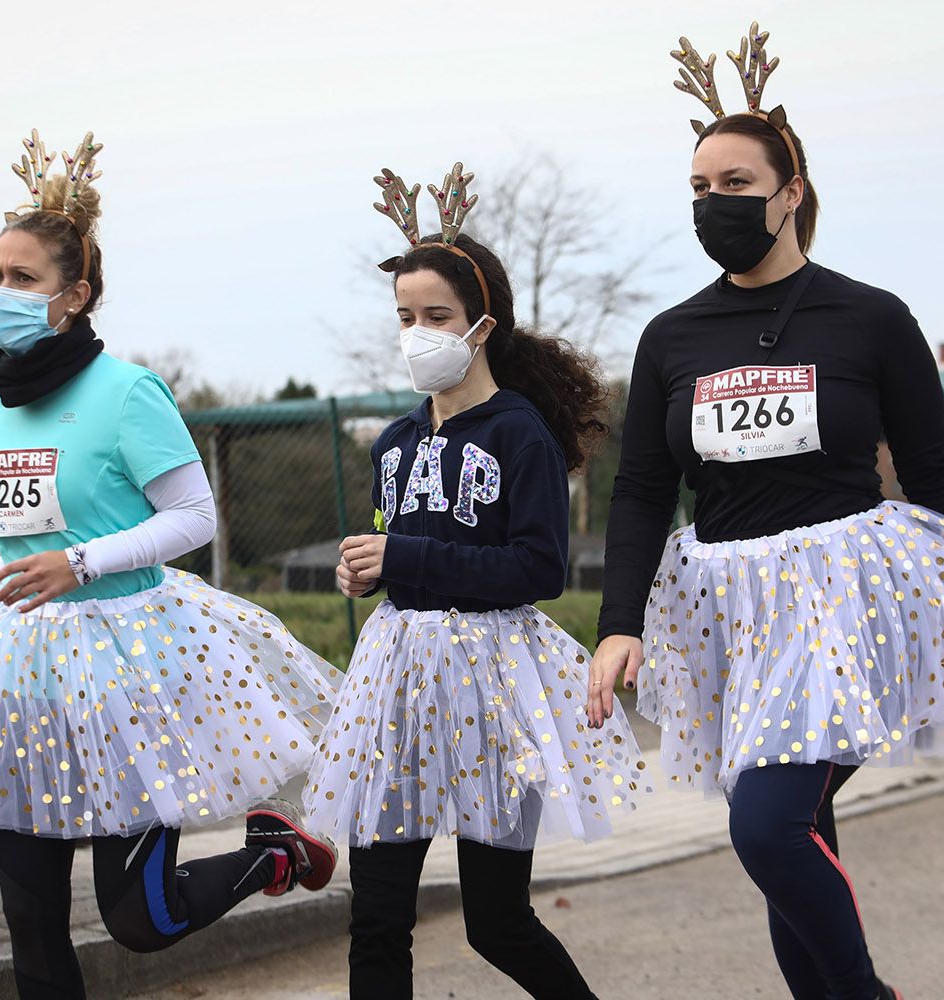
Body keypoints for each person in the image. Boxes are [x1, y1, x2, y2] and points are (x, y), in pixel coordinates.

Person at [588, 26, 944, 1000]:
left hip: (845, 590)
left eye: (737, 184)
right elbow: (638, 490)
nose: (716, 204)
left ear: (790, 191)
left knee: (768, 826)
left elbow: (928, 463)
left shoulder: (869, 316)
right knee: (794, 831)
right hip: (729, 605)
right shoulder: (671, 336)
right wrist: (617, 623)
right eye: (700, 189)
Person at [0, 130, 342, 999]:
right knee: (30, 926)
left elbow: (193, 517)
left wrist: (82, 561)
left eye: (22, 278)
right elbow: (6, 549)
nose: (1, 295)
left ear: (74, 295)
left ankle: (273, 854)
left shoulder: (127, 391)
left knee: (139, 922)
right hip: (18, 668)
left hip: (127, 668)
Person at [305, 163, 646, 1000]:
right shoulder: (392, 440)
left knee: (496, 920)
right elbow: (405, 550)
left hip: (493, 687)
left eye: (436, 316)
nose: (416, 331)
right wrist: (370, 569)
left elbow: (536, 569)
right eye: (405, 316)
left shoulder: (520, 434)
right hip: (395, 684)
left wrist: (406, 560)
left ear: (481, 324)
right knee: (378, 913)